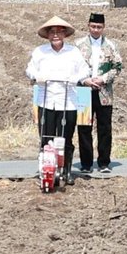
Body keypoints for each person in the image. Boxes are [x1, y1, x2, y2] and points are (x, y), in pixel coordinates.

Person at [26, 16, 90, 185]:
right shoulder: (40, 52)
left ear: (64, 34)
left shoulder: (73, 52)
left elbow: (85, 70)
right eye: (52, 32)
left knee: (66, 137)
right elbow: (30, 69)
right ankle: (46, 169)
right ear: (47, 35)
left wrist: (74, 78)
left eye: (59, 32)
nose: (55, 35)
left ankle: (67, 170)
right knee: (46, 138)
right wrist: (36, 76)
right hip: (46, 100)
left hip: (67, 101)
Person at [74, 12, 122, 174]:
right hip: (83, 90)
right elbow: (72, 67)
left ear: (103, 28)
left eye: (99, 27)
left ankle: (104, 163)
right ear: (88, 26)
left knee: (104, 127)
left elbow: (118, 67)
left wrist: (103, 79)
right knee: (84, 126)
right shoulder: (78, 45)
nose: (96, 30)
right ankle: (86, 163)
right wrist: (85, 79)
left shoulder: (111, 45)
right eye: (93, 26)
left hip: (104, 92)